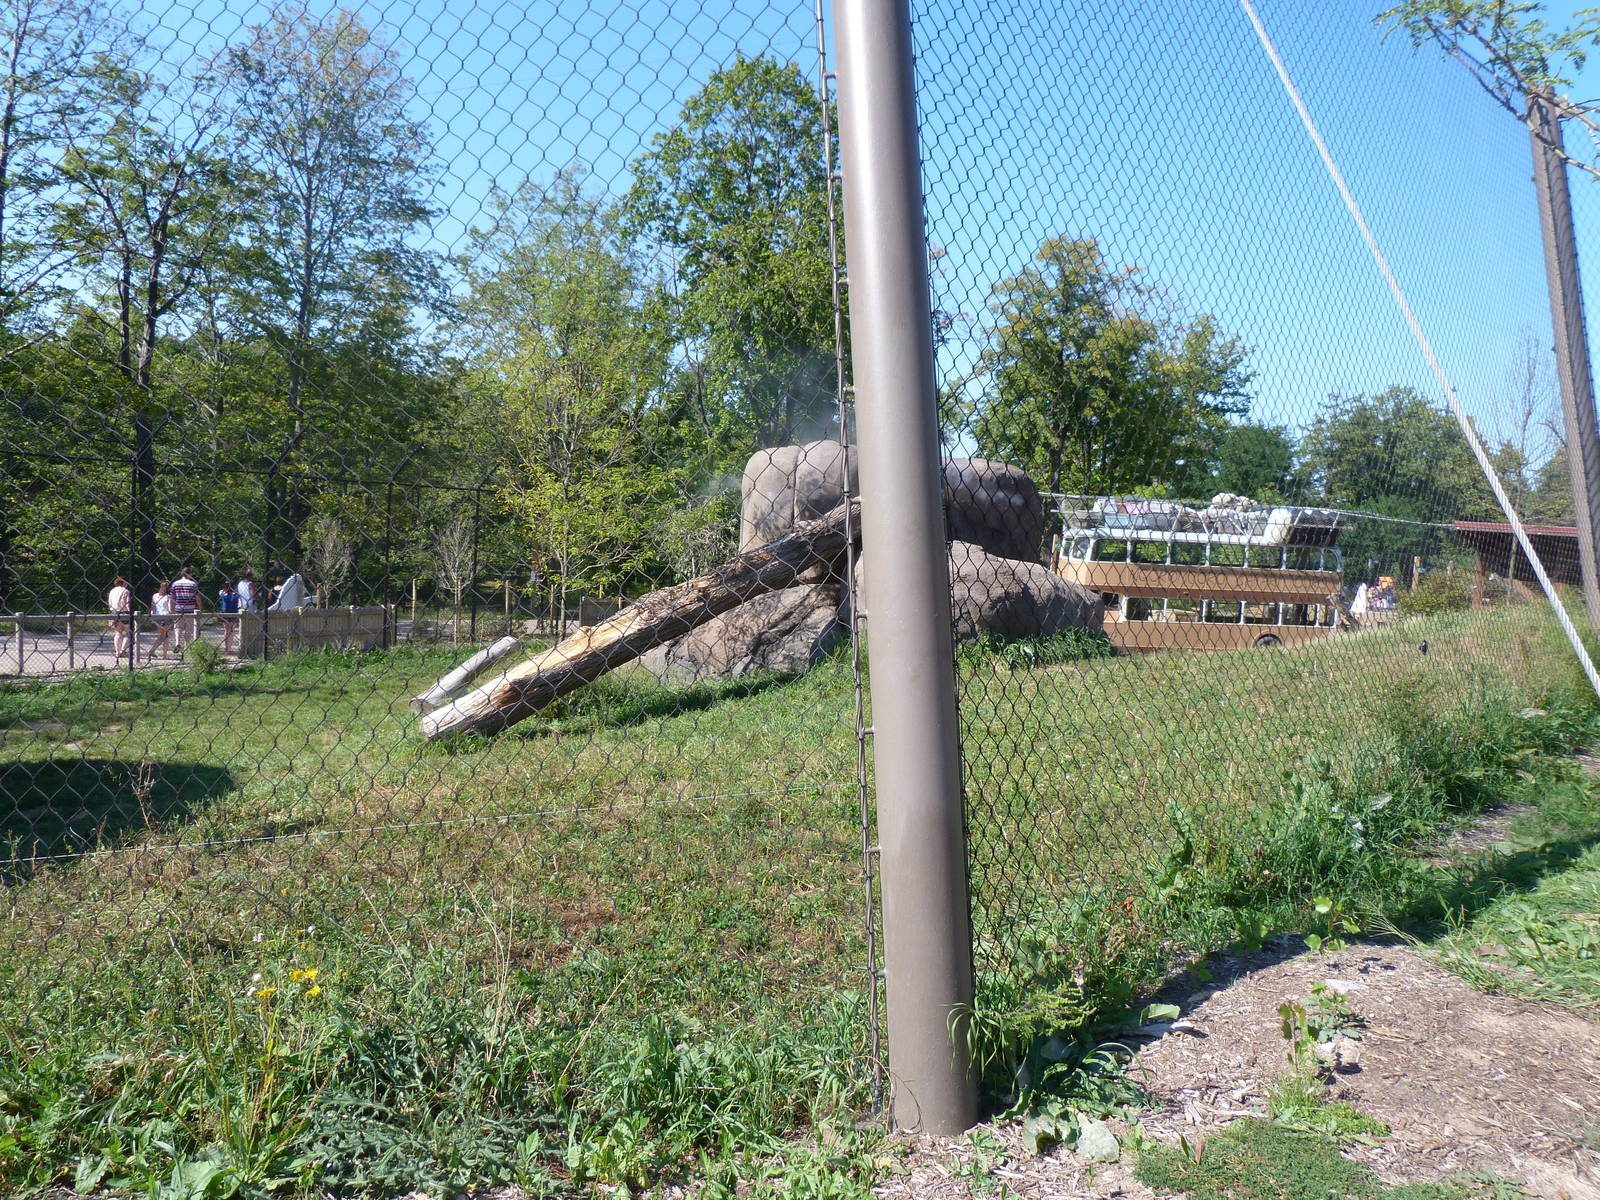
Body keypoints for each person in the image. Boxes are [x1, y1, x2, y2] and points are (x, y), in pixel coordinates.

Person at [171, 566, 201, 651]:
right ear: (189, 574)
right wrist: (200, 607)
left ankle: (177, 643)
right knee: (189, 628)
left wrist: (172, 608)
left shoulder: (175, 584)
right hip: (190, 609)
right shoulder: (193, 584)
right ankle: (187, 646)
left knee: (178, 627)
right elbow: (197, 596)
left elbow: (172, 597)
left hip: (178, 609)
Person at [107, 576, 134, 661]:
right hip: (124, 613)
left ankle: (117, 652)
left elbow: (110, 603)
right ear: (123, 583)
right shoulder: (125, 591)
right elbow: (127, 603)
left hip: (114, 612)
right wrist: (130, 612)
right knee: (128, 633)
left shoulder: (112, 591)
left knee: (118, 633)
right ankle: (123, 650)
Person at [150, 581, 175, 658]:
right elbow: (170, 609)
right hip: (166, 616)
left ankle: (153, 651)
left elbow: (153, 607)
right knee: (165, 636)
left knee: (162, 635)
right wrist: (175, 614)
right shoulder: (169, 597)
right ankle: (163, 654)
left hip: (157, 616)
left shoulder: (155, 596)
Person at [218, 580, 241, 654]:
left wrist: (225, 588)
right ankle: (229, 648)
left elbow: (221, 591)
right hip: (233, 612)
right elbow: (240, 603)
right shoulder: (236, 595)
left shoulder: (223, 593)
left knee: (226, 630)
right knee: (231, 630)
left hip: (224, 612)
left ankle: (226, 647)